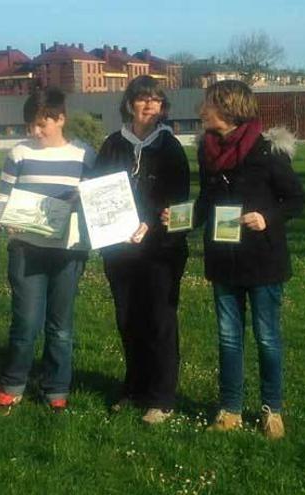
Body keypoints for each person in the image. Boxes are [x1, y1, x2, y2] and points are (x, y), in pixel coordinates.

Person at [192, 80, 305, 439]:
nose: (201, 111)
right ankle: (230, 410)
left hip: (263, 260)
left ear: (227, 109)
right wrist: (179, 220)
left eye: (207, 105)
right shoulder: (206, 151)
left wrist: (266, 216)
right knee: (228, 338)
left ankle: (272, 410)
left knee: (267, 337)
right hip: (223, 259)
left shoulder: (267, 150)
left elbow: (296, 199)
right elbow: (206, 200)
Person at [0, 88, 95, 413]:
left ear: (60, 118)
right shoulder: (19, 153)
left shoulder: (84, 155)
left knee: (61, 326)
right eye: (31, 126)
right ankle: (13, 383)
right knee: (25, 323)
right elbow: (3, 196)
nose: (35, 132)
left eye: (41, 124)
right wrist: (6, 219)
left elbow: (96, 197)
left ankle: (56, 387)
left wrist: (84, 201)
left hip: (68, 251)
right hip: (26, 249)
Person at [94, 75, 190, 424]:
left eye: (156, 100)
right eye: (142, 99)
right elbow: (98, 189)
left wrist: (150, 221)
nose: (149, 105)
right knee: (128, 318)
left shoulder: (170, 147)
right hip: (119, 248)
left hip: (160, 249)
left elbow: (178, 199)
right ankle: (133, 386)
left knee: (159, 320)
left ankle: (162, 396)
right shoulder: (112, 144)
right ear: (130, 103)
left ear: (163, 108)